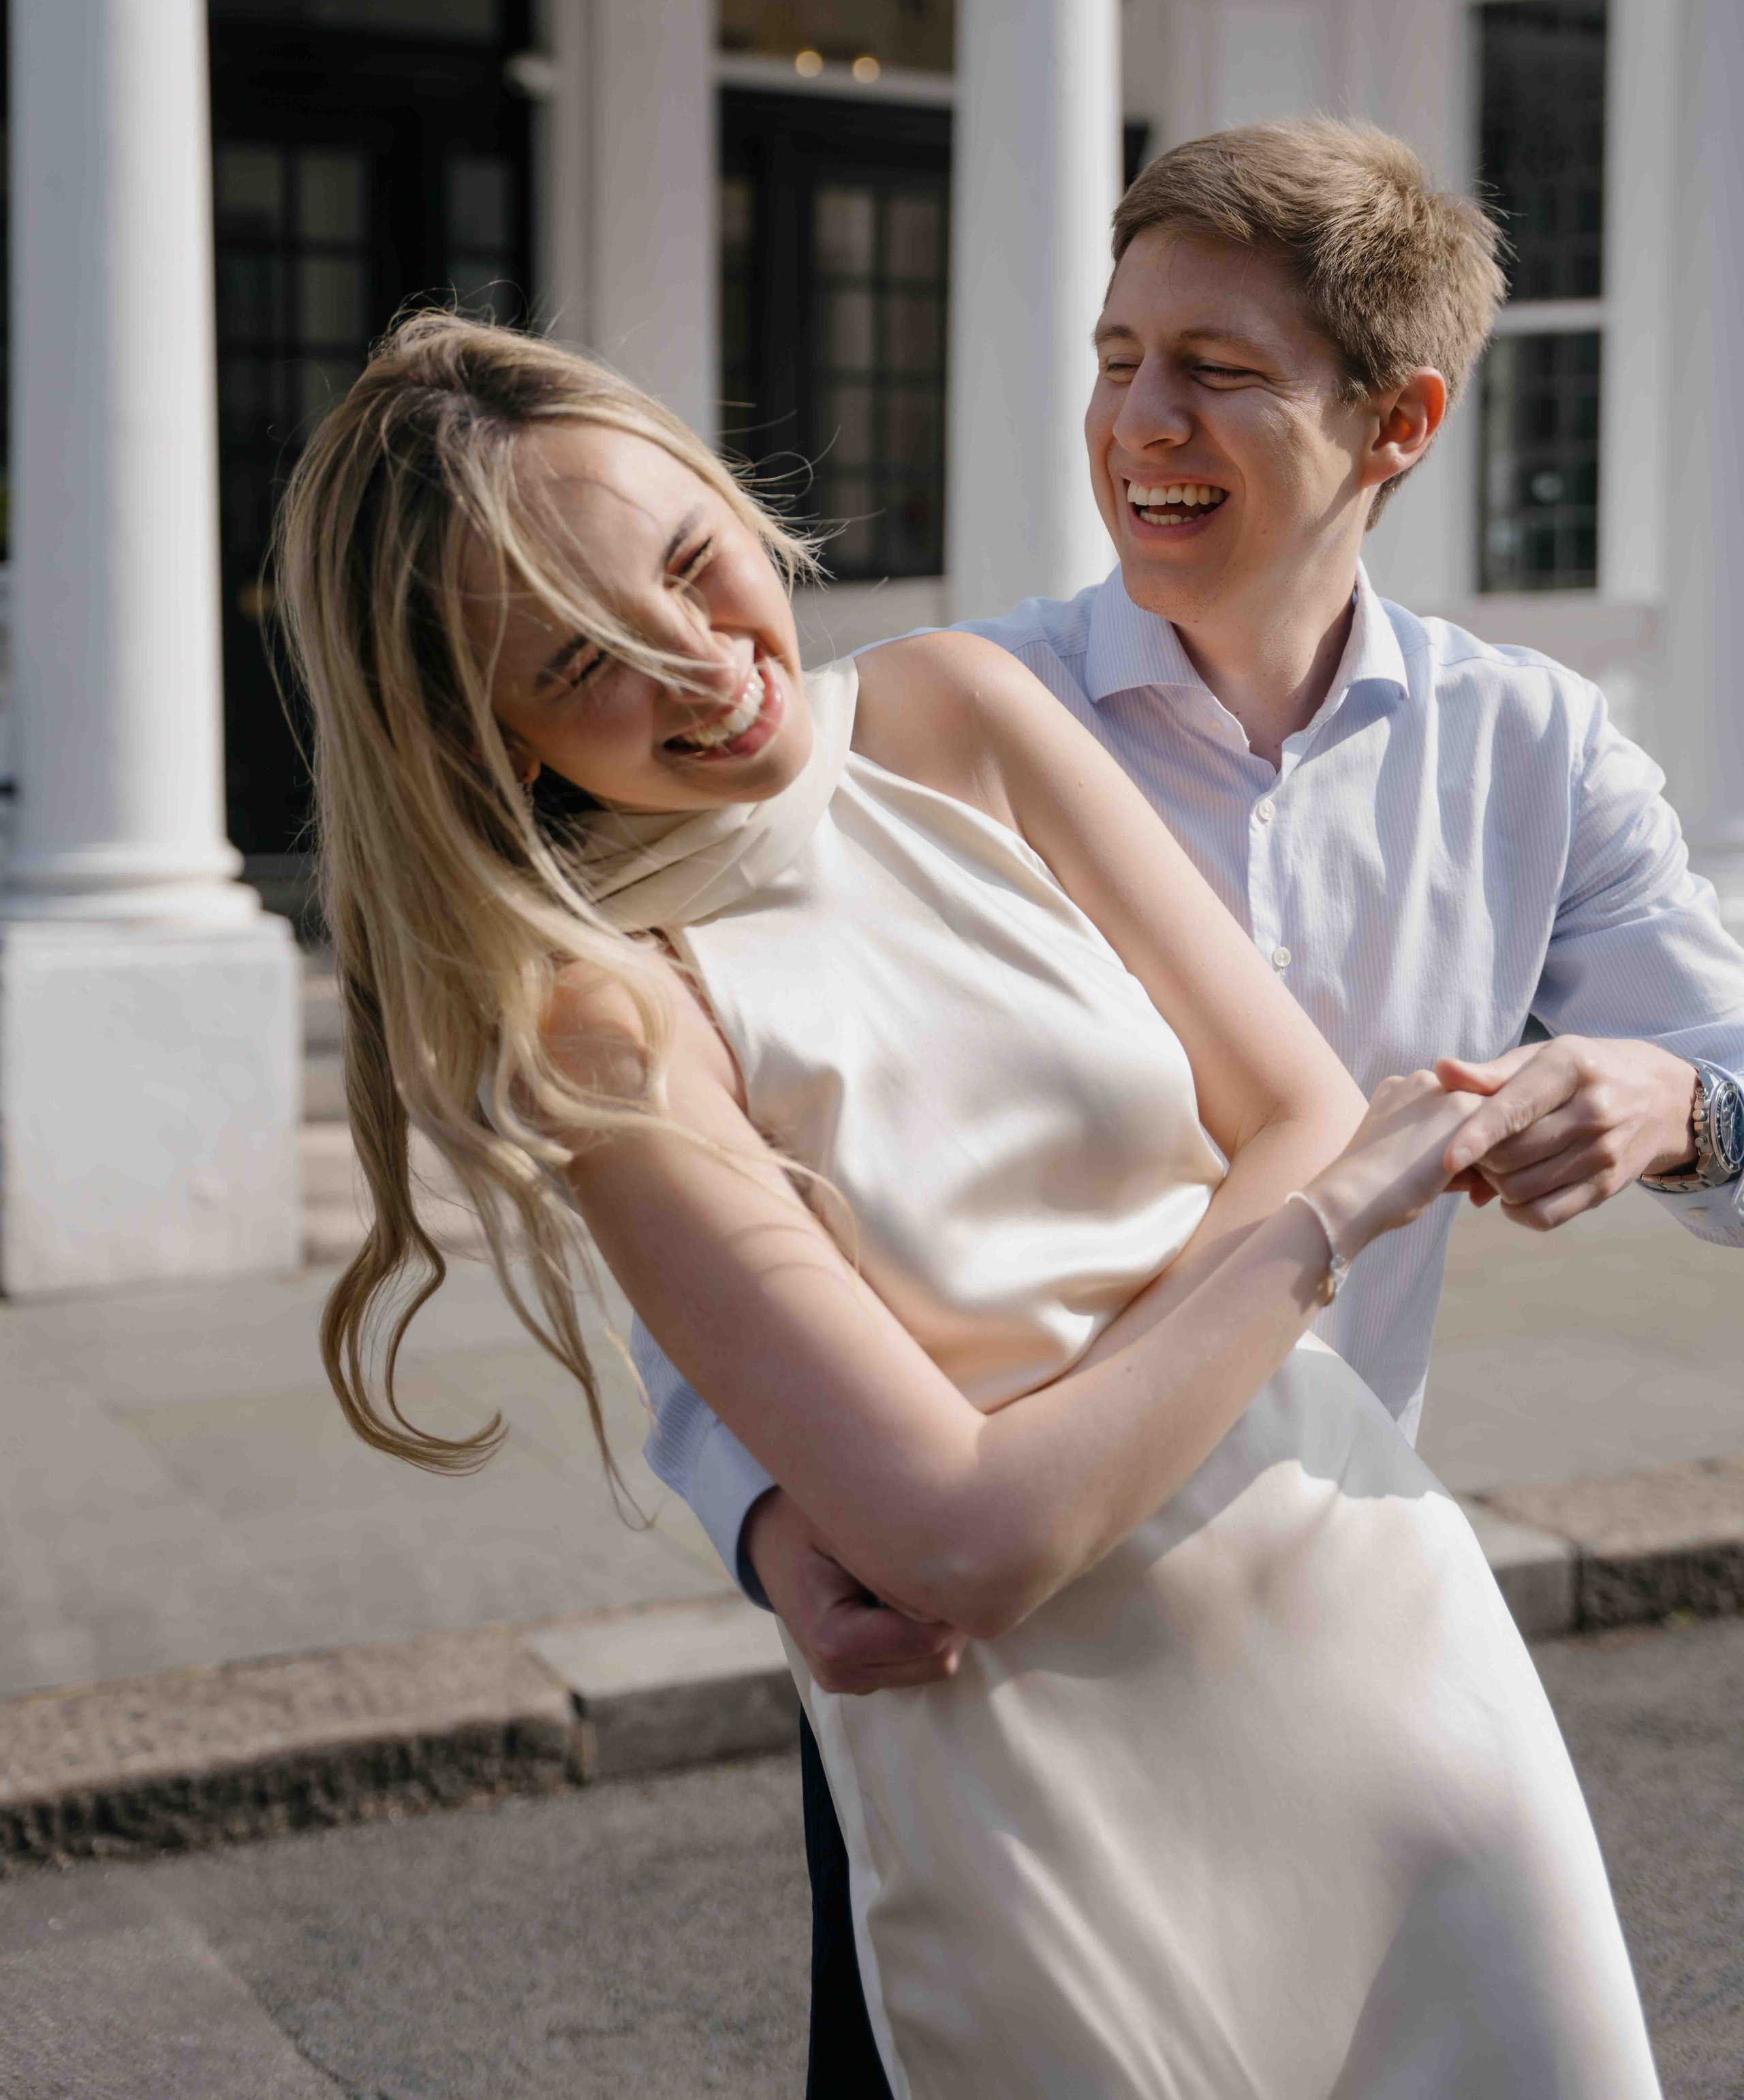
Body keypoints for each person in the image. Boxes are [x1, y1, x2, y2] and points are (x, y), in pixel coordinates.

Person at [279, 307, 1663, 2097]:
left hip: (1382, 1640)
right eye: (584, 661)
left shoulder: (955, 710)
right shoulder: (603, 1018)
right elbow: (967, 1551)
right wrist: (1310, 1232)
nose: (703, 664)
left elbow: (1304, 1104)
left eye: (693, 563)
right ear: (488, 737)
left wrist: (1022, 1453)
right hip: (1040, 1774)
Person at [634, 117, 1744, 2094]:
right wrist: (767, 1511)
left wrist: (1682, 1104)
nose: (1140, 418)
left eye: (1219, 371)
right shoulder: (927, 726)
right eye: (1118, 356)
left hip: (1339, 1625)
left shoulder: (1536, 752)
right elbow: (711, 1179)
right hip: (980, 1662)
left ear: (1397, 423)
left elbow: (1733, 1105)